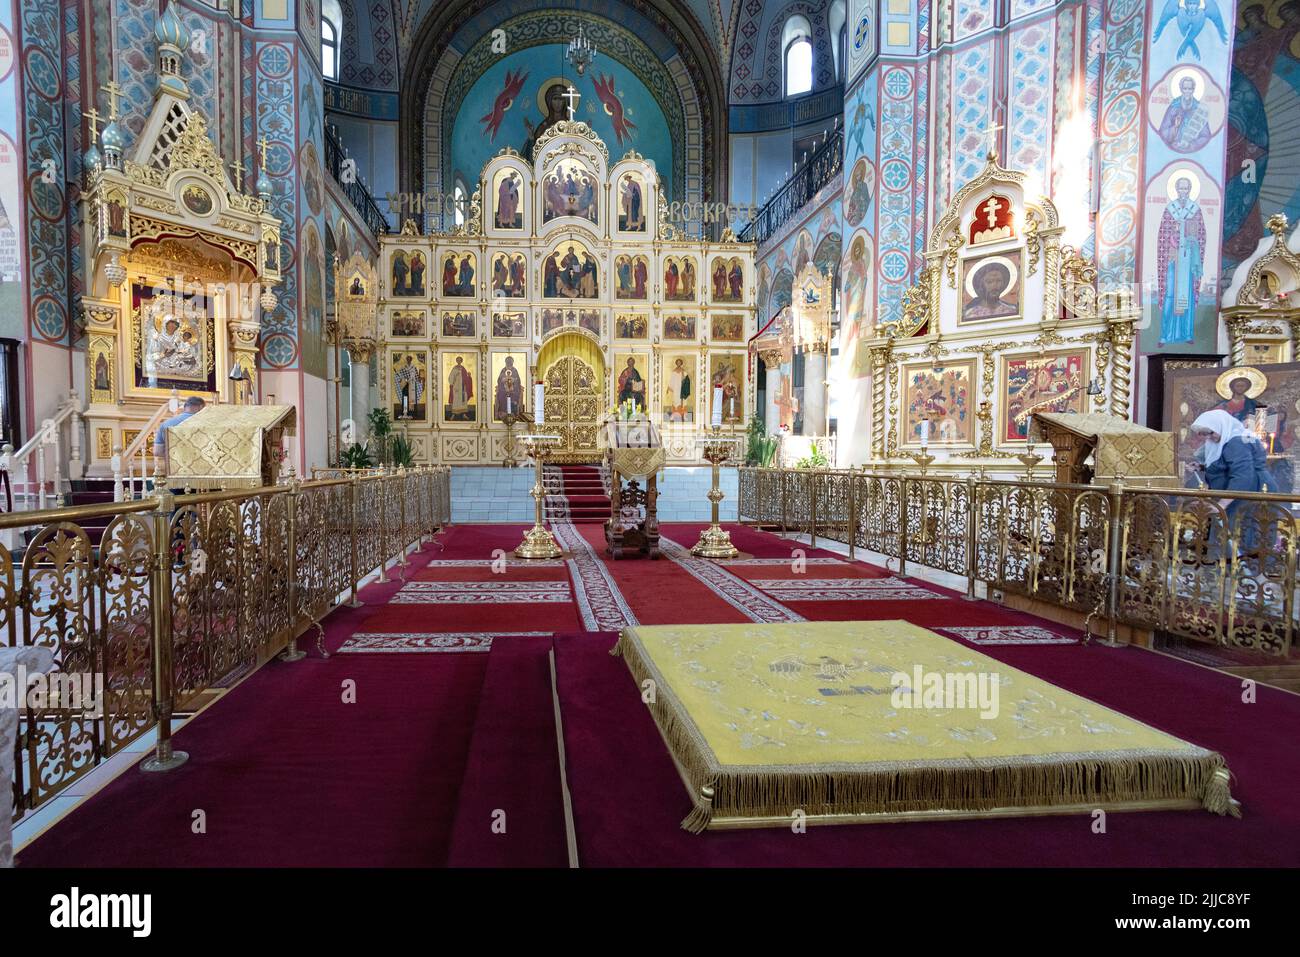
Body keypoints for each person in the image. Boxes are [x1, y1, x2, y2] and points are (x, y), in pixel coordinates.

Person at [1190, 409, 1272, 557]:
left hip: (1247, 494)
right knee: (1228, 535)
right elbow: (1225, 465)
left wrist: (1221, 505)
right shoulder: (1226, 438)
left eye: (1211, 432)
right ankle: (1228, 572)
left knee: (1243, 534)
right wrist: (1201, 467)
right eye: (1204, 434)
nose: (1209, 437)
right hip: (1234, 494)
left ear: (1221, 426)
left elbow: (1242, 476)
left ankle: (1246, 575)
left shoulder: (1236, 442)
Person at [152, 396, 206, 476]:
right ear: (200, 407)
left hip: (174, 472)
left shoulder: (166, 424)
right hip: (200, 472)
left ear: (185, 407)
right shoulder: (205, 424)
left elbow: (157, 452)